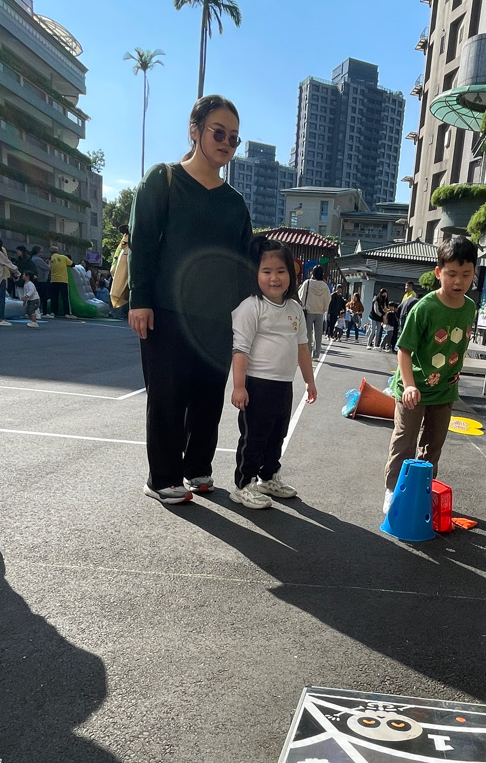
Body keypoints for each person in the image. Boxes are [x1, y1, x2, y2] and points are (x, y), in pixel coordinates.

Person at [129, 94, 253, 505]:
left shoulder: (235, 203)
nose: (227, 143)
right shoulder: (162, 179)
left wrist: (245, 318)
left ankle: (197, 467)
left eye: (234, 138)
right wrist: (140, 300)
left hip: (217, 319)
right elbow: (143, 243)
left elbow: (242, 265)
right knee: (167, 397)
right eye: (219, 133)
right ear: (195, 131)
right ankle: (162, 478)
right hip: (165, 311)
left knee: (207, 399)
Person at [383, 235, 478, 514]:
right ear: (438, 273)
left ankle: (422, 491)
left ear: (474, 273)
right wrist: (409, 386)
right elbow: (404, 350)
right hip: (413, 389)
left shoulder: (469, 308)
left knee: (433, 446)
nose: (458, 281)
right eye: (451, 274)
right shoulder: (424, 308)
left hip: (445, 390)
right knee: (405, 442)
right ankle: (393, 491)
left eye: (466, 274)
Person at [230, 237, 316, 509]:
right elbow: (240, 349)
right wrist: (239, 386)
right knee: (254, 437)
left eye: (281, 271)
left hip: (283, 385)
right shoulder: (251, 307)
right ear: (255, 274)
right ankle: (243, 485)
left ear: (291, 274)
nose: (274, 278)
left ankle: (268, 478)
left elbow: (302, 347)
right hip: (257, 385)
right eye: (266, 271)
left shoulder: (295, 309)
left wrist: (309, 381)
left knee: (277, 434)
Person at [298, 264, 330, 359]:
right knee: (318, 334)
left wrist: (304, 304)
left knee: (307, 334)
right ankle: (316, 354)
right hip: (320, 312)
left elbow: (301, 295)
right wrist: (324, 309)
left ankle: (308, 353)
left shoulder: (308, 283)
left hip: (309, 311)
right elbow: (328, 299)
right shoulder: (324, 286)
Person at [47, 247, 75, 319]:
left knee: (54, 297)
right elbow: (73, 264)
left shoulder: (50, 259)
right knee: (65, 297)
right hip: (63, 279)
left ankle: (53, 312)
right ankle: (67, 313)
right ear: (57, 251)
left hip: (53, 280)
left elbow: (49, 268)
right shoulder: (63, 257)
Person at [0, 239, 18, 326]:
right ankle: (0, 318)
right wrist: (17, 273)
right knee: (1, 300)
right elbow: (9, 264)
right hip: (0, 279)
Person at [31, 246, 50, 313]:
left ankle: (37, 310)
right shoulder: (38, 260)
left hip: (36, 280)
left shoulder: (32, 259)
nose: (42, 253)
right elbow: (47, 267)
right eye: (41, 252)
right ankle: (44, 312)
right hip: (41, 280)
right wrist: (49, 263)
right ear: (38, 252)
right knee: (43, 296)